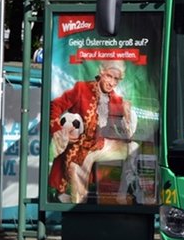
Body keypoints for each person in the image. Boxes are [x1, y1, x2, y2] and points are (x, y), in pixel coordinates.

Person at [48, 61, 142, 204]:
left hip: (100, 145)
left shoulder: (117, 100)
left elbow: (127, 132)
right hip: (80, 150)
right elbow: (55, 105)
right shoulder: (82, 89)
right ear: (101, 72)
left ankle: (122, 195)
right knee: (80, 201)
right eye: (109, 76)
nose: (111, 83)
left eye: (116, 79)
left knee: (133, 147)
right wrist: (58, 131)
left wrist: (127, 116)